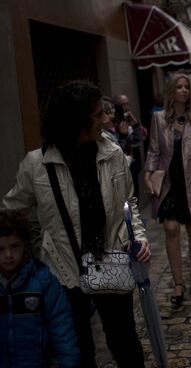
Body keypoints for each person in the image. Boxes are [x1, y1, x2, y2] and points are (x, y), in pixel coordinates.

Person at [3, 80, 150, 367]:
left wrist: (140, 238)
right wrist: (26, 251)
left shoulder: (113, 153)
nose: (106, 120)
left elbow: (128, 203)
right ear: (76, 118)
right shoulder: (38, 164)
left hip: (111, 262)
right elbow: (10, 209)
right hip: (64, 270)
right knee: (78, 349)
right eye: (98, 115)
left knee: (125, 343)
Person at [144, 74, 191, 308]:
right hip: (168, 182)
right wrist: (148, 172)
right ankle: (178, 282)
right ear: (171, 91)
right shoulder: (158, 118)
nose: (183, 90)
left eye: (187, 87)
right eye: (179, 87)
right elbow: (154, 149)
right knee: (171, 229)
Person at [0, 209, 80, 368]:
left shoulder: (43, 282)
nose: (8, 254)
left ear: (25, 246)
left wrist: (69, 363)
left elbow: (62, 329)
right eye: (0, 249)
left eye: (14, 246)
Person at [114, 93, 146, 199]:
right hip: (122, 163)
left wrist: (136, 125)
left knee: (136, 190)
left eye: (128, 104)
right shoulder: (114, 123)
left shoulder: (130, 119)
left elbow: (139, 138)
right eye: (123, 105)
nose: (126, 107)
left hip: (134, 161)